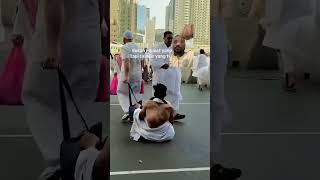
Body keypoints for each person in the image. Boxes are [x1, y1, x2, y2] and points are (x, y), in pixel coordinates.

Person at [22, 0, 107, 179]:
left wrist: (52, 48)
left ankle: (63, 165)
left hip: (63, 33)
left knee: (35, 96)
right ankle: (83, 156)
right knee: (77, 105)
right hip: (91, 34)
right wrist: (101, 22)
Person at [211, 0, 241, 179]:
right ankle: (209, 165)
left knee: (217, 102)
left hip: (217, 26)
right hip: (213, 29)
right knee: (215, 102)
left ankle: (210, 163)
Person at [117, 31, 143, 121]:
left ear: (124, 39)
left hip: (129, 74)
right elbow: (141, 62)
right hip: (137, 75)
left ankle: (128, 112)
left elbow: (127, 61)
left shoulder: (125, 47)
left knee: (121, 91)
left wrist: (126, 76)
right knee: (134, 93)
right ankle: (135, 112)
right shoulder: (137, 47)